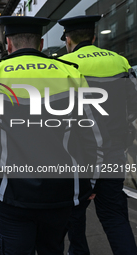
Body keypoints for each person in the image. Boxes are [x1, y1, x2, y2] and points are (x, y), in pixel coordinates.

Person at [0, 16, 110, 255]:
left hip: (8, 194)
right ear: (40, 43)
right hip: (61, 193)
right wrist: (91, 181)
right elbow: (93, 135)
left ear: (8, 44)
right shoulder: (70, 74)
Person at [58, 15, 137, 255]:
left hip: (76, 157)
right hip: (113, 152)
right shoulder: (120, 61)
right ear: (93, 37)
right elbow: (133, 107)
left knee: (74, 218)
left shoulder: (63, 65)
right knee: (115, 217)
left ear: (68, 40)